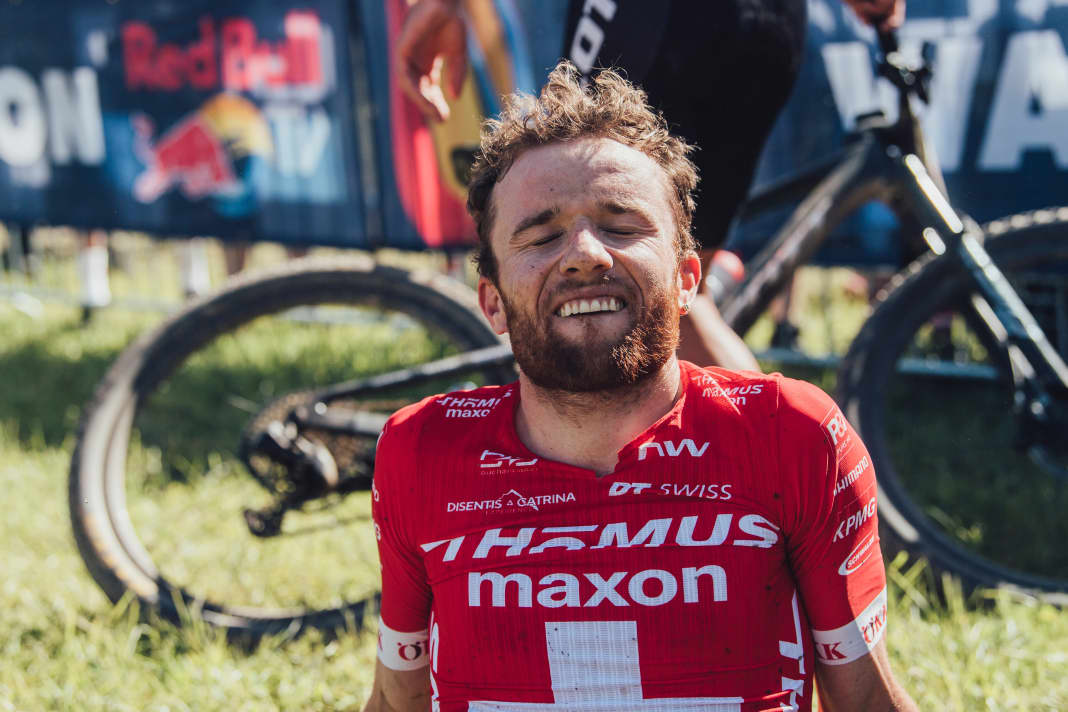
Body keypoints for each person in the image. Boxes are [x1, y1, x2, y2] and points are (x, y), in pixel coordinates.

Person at [362, 63, 917, 711]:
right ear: (491, 302)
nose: (585, 254)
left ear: (688, 280)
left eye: (622, 227)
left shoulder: (792, 434)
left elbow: (868, 701)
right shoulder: (420, 449)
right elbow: (397, 702)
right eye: (541, 236)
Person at [393, 0, 904, 371]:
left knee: (663, 296)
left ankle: (785, 477)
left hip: (654, 17)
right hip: (768, 21)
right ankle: (768, 478)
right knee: (674, 291)